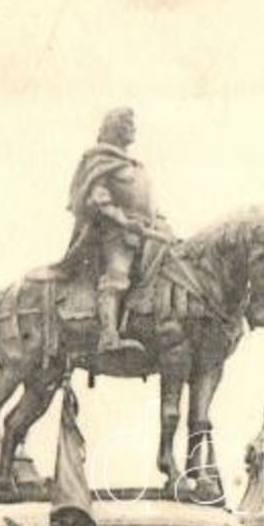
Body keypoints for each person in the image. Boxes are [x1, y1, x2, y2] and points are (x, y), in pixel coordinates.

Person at [57, 107, 162, 358]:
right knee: (118, 274)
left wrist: (158, 224)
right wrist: (125, 222)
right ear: (115, 128)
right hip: (114, 232)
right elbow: (98, 198)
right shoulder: (99, 160)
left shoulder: (135, 166)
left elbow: (148, 205)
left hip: (147, 232)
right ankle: (109, 337)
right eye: (128, 124)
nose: (133, 128)